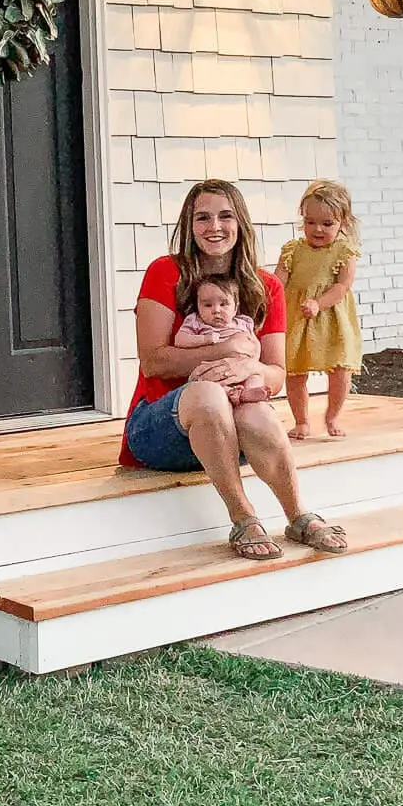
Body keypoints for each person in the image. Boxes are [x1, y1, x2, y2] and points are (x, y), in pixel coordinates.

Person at [121, 179, 348, 561]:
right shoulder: (165, 272)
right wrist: (226, 348)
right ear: (188, 227)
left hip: (232, 436)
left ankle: (298, 516)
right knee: (209, 394)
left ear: (240, 222)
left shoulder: (267, 286)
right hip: (158, 430)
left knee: (257, 408)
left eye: (225, 216)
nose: (215, 227)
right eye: (202, 218)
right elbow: (153, 360)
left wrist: (247, 366)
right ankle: (244, 518)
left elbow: (275, 372)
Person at [276, 180, 362, 440]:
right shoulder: (292, 250)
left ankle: (332, 415)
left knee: (340, 369)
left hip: (332, 318)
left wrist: (318, 303)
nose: (317, 229)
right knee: (295, 371)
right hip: (298, 317)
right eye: (310, 222)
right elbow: (278, 281)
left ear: (343, 223)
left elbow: (342, 287)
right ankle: (301, 421)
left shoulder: (344, 252)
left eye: (327, 223)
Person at [173, 277, 269, 404]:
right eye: (207, 305)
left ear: (235, 307)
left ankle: (248, 392)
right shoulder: (196, 321)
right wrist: (204, 339)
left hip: (241, 369)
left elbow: (255, 343)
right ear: (198, 306)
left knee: (256, 376)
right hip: (211, 370)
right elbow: (180, 340)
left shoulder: (243, 323)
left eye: (223, 304)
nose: (216, 310)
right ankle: (230, 392)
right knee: (202, 381)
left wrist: (251, 363)